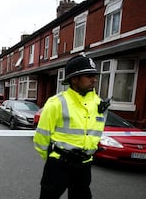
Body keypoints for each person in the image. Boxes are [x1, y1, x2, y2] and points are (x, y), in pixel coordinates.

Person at [33, 54, 109, 199]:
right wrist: (52, 158)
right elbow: (41, 138)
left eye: (95, 75)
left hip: (84, 166)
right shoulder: (56, 102)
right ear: (74, 79)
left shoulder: (100, 104)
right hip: (59, 165)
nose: (94, 79)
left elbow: (95, 134)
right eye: (89, 75)